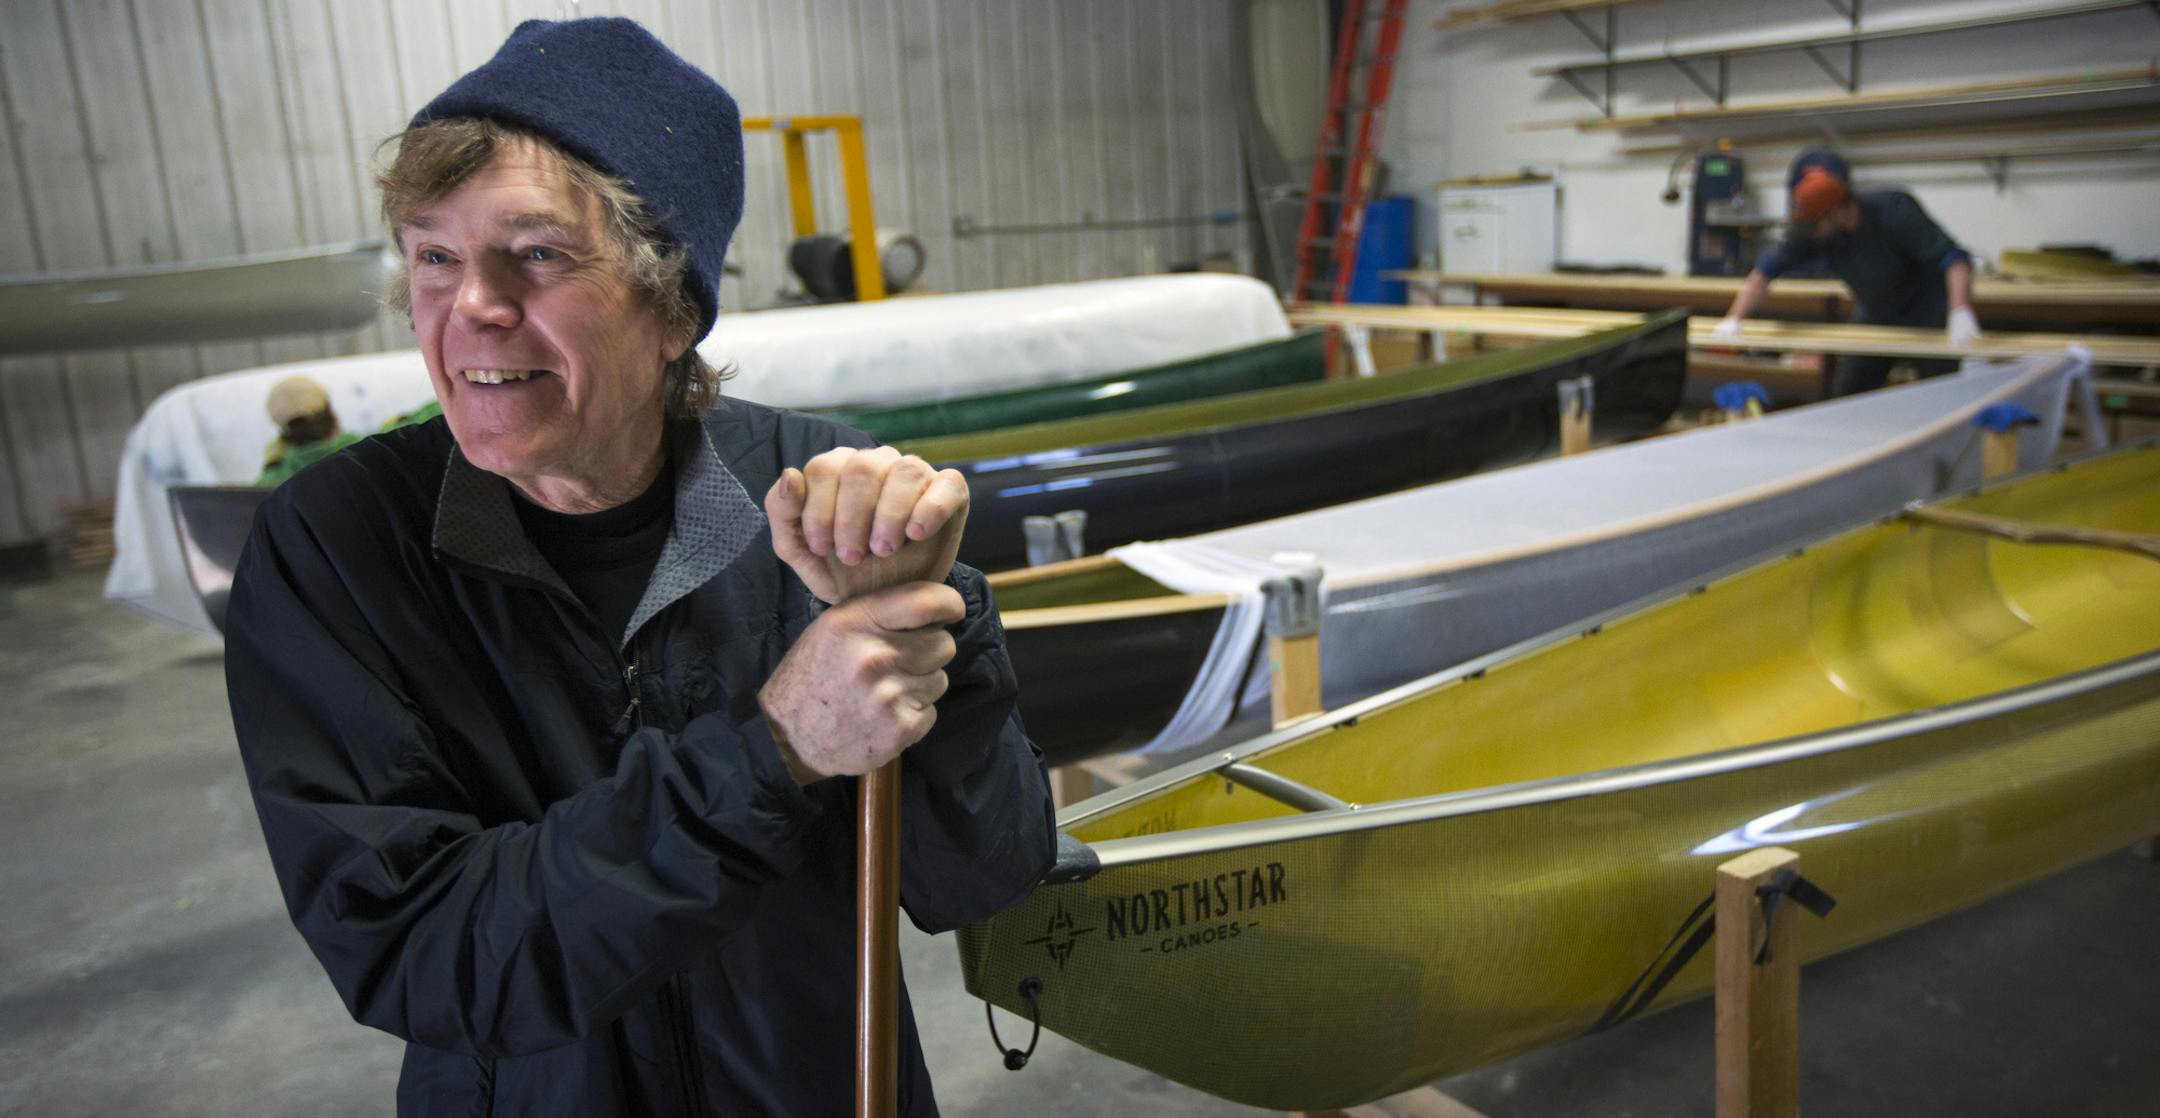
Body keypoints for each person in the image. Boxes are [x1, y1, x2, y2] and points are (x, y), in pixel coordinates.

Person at [223, 18, 1054, 1116]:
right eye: (433, 254)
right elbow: (420, 949)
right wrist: (774, 753)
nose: (471, 302)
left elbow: (982, 874)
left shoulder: (810, 492)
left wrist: (940, 624)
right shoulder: (337, 543)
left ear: (670, 308)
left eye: (536, 253)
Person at [1710, 148, 1982, 396]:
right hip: (1876, 312)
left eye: (1815, 226)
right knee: (1849, 394)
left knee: (1941, 395)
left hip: (1927, 314)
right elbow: (1763, 273)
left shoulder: (1894, 210)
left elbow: (1954, 258)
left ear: (1839, 212)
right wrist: (1733, 319)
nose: (1809, 235)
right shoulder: (1816, 232)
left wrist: (1960, 311)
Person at [256, 375, 359, 485]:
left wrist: (272, 466)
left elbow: (258, 494)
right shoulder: (359, 450)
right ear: (329, 414)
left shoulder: (278, 477)